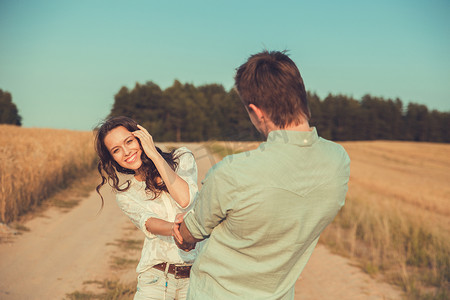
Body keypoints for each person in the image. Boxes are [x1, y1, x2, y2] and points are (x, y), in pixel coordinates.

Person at [173, 50, 351, 299]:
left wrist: (182, 231)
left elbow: (190, 234)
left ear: (257, 112)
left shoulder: (231, 173)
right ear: (301, 96)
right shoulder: (339, 161)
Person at [94, 116, 200, 300]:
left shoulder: (182, 158)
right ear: (113, 159)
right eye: (116, 150)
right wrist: (177, 229)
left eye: (129, 141)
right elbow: (149, 223)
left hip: (197, 278)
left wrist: (154, 155)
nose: (126, 152)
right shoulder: (126, 194)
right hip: (156, 279)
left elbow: (185, 199)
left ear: (142, 137)